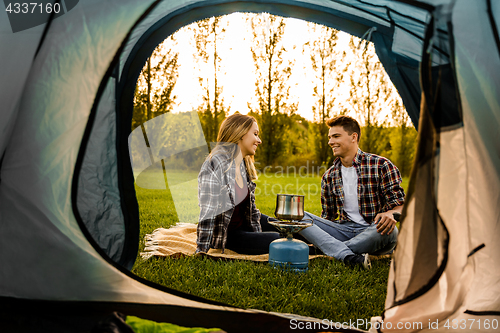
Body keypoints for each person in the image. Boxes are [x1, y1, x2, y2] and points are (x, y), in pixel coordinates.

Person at [299, 115, 405, 269]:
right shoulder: (329, 175)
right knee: (298, 215)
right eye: (329, 137)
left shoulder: (381, 165)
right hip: (344, 229)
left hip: (375, 229)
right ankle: (347, 255)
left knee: (391, 231)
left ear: (353, 137)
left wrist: (391, 214)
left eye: (336, 136)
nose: (330, 142)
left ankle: (330, 251)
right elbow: (327, 217)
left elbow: (402, 206)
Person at [196, 113, 280, 255]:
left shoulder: (242, 163)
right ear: (241, 133)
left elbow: (252, 210)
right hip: (228, 235)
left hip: (244, 226)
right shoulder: (215, 163)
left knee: (283, 227)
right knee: (277, 239)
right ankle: (309, 250)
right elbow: (208, 212)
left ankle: (316, 244)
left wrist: (257, 235)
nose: (259, 140)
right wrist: (202, 250)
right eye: (255, 134)